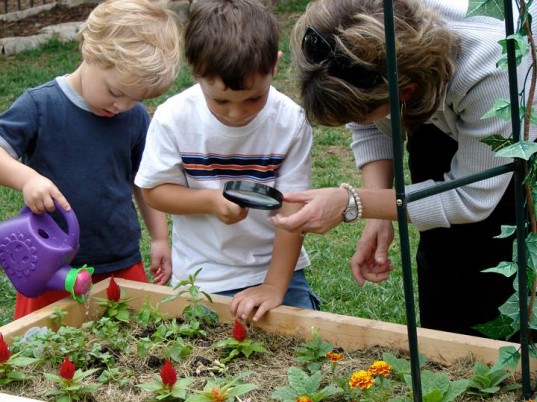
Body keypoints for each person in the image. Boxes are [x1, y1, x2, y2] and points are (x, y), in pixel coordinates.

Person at [270, 0, 537, 337]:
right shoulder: (369, 48)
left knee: (511, 263)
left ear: (406, 93)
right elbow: (365, 118)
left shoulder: (491, 69)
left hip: (517, 119)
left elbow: (472, 197)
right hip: (435, 90)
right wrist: (380, 208)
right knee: (446, 259)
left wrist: (353, 203)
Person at [134, 0, 319, 323]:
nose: (237, 112)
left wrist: (273, 286)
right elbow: (154, 192)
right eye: (220, 100)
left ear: (274, 66)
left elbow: (293, 210)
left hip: (273, 272)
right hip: (200, 278)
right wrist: (209, 200)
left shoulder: (290, 122)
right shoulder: (173, 119)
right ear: (195, 70)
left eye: (253, 98)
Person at [0, 0, 183, 319]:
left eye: (135, 98)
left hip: (120, 262)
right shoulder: (41, 107)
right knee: (42, 350)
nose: (122, 106)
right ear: (90, 51)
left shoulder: (135, 117)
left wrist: (159, 237)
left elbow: (146, 181)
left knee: (130, 346)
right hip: (51, 267)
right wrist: (27, 178)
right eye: (115, 91)